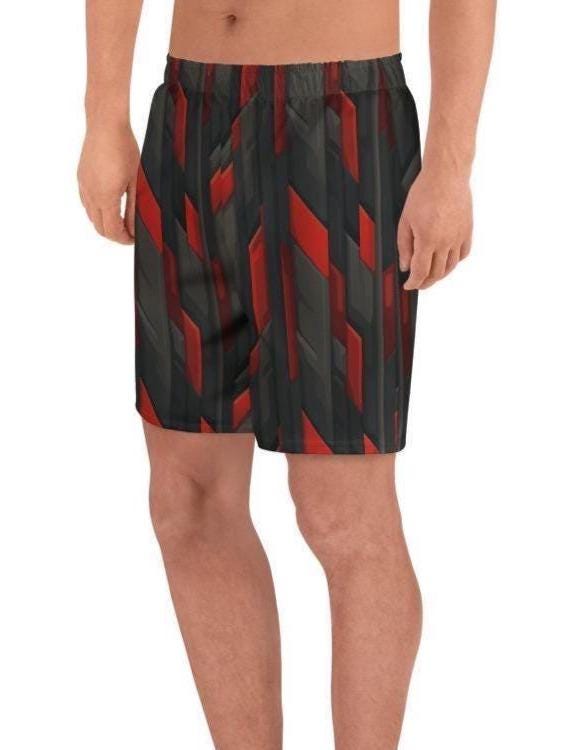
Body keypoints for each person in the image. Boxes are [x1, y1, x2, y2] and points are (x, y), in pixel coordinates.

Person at [78, 0, 496, 747]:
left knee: (340, 510)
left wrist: (449, 165)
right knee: (187, 496)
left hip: (340, 119)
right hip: (189, 114)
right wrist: (103, 112)